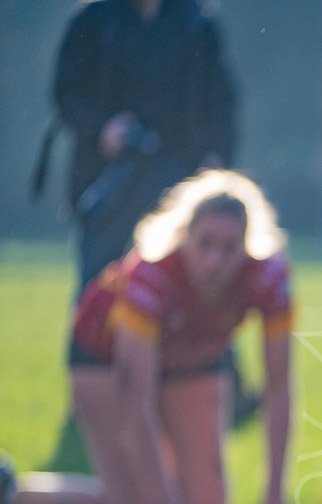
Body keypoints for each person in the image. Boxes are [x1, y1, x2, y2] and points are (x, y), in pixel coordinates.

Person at [1, 171, 295, 504]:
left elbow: (279, 389)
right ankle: (9, 491)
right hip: (103, 359)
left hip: (187, 361)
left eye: (229, 248)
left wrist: (274, 501)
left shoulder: (268, 277)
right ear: (184, 237)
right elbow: (136, 396)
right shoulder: (151, 275)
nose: (214, 262)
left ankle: (161, 494)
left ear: (248, 246)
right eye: (204, 244)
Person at [40, 0, 259, 420]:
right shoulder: (94, 21)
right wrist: (103, 127)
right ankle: (91, 395)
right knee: (100, 284)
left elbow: (223, 102)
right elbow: (66, 94)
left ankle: (220, 389)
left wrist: (218, 162)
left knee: (200, 280)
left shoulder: (196, 23)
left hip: (180, 179)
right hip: (112, 176)